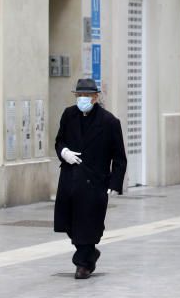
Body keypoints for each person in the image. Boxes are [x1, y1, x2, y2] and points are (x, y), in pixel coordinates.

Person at [54, 78, 127, 279]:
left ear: (95, 97)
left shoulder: (109, 122)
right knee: (69, 223)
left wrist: (114, 184)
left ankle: (83, 264)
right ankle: (90, 253)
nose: (82, 99)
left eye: (86, 95)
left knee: (89, 225)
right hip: (70, 179)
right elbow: (59, 140)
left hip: (95, 182)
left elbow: (119, 157)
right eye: (79, 96)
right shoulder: (69, 115)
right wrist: (64, 152)